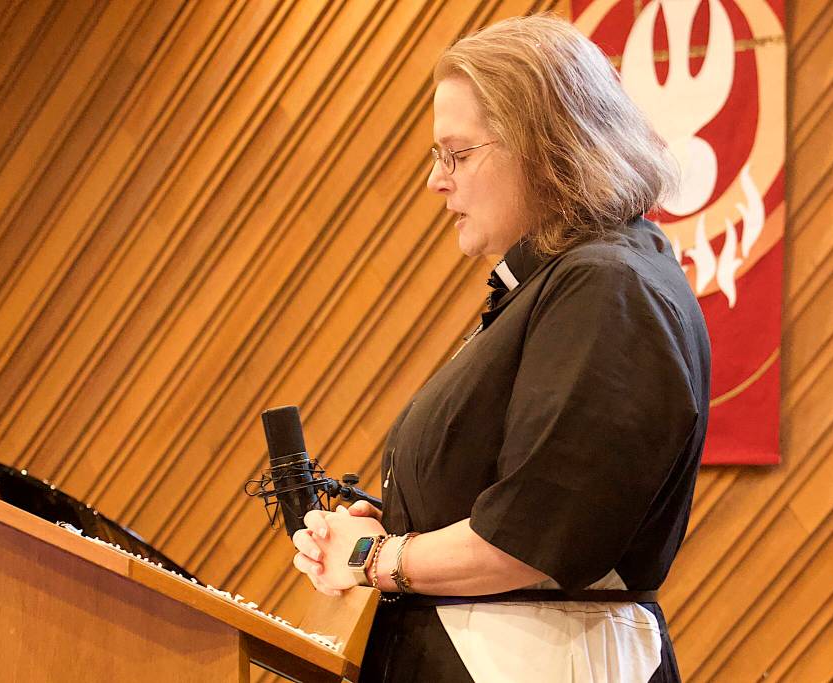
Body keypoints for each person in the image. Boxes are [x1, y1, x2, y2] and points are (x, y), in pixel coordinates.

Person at [291, 13, 710, 683]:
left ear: (547, 147)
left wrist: (376, 555)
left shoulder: (607, 285)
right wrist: (389, 525)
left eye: (456, 154)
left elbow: (532, 534)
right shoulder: (561, 282)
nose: (437, 180)